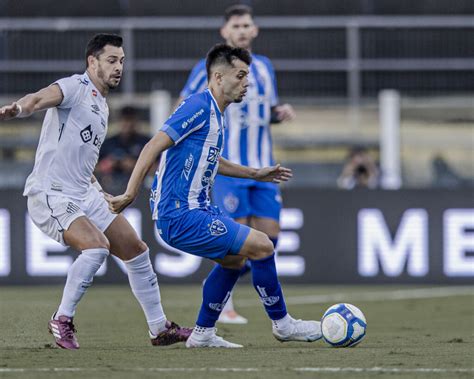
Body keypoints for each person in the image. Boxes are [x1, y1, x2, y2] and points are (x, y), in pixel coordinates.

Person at [108, 43, 322, 348]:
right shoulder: (197, 105)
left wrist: (254, 173)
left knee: (235, 262)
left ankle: (204, 333)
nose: (247, 82)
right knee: (262, 245)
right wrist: (130, 192)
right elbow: (152, 145)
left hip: (200, 210)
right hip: (181, 215)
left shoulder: (216, 114)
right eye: (241, 75)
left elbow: (212, 160)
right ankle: (283, 324)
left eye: (248, 76)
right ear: (218, 78)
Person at [0, 33, 191, 350]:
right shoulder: (74, 87)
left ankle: (159, 328)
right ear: (92, 62)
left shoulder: (101, 106)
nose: (119, 68)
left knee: (137, 251)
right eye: (112, 60)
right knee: (97, 248)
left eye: (122, 61)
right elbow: (38, 98)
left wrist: (97, 190)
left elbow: (83, 159)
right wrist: (17, 109)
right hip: (52, 193)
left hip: (83, 192)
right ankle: (62, 318)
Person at [177, 4, 295, 324]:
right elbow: (186, 106)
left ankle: (221, 285)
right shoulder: (211, 69)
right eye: (236, 26)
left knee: (270, 237)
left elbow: (263, 111)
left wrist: (278, 113)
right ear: (225, 32)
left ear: (254, 30)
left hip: (264, 169)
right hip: (230, 169)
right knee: (237, 243)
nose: (242, 30)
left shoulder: (265, 67)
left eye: (247, 25)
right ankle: (224, 301)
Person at [96, 105, 150, 193]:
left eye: (131, 120)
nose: (128, 124)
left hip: (139, 189)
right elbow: (92, 168)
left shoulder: (146, 142)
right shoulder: (108, 142)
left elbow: (156, 167)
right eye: (125, 120)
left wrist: (135, 166)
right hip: (110, 187)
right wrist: (107, 164)